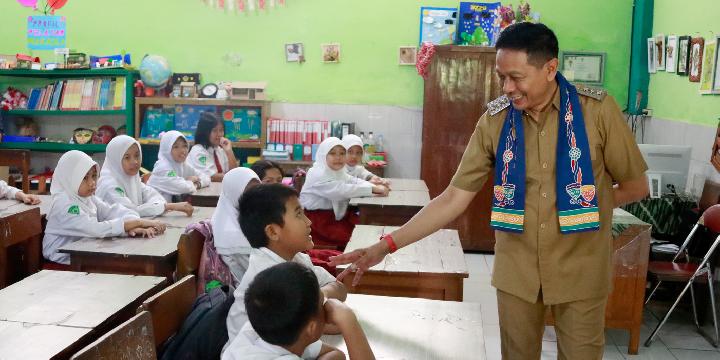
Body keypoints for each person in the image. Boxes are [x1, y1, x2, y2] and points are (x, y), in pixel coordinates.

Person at [330, 22, 649, 359]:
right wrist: (385, 246)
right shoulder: (496, 121)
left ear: (550, 69)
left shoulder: (595, 112)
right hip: (517, 271)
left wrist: (583, 206)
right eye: (502, 77)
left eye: (517, 77)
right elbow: (454, 198)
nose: (507, 87)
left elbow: (635, 186)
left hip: (581, 268)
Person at [225, 183, 348, 358]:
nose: (309, 221)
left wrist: (319, 297)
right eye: (299, 215)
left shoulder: (296, 259)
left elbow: (339, 288)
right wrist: (325, 308)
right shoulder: (269, 278)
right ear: (273, 232)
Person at [223, 262, 374, 360]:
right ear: (311, 327)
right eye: (322, 302)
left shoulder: (255, 332)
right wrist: (348, 322)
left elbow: (336, 355)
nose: (327, 305)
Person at [43, 150, 166, 265]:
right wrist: (137, 222)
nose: (92, 183)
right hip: (61, 261)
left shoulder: (87, 198)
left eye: (94, 176)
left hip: (83, 253)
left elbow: (113, 210)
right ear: (70, 178)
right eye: (85, 178)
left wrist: (132, 227)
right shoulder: (64, 204)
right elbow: (95, 228)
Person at [299, 137, 389, 250]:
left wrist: (374, 186)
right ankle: (345, 260)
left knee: (366, 228)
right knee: (356, 237)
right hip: (316, 222)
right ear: (323, 155)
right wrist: (373, 190)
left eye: (342, 153)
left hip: (334, 216)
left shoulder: (337, 171)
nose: (338, 158)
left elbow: (353, 180)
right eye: (332, 153)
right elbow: (341, 190)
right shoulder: (318, 173)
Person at [97, 135, 193, 217]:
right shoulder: (109, 185)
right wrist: (168, 206)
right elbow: (129, 211)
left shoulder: (133, 179)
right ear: (115, 160)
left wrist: (156, 207)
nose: (134, 162)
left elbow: (155, 196)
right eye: (127, 157)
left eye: (137, 156)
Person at [212, 167, 261, 284]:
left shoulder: (244, 218)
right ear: (234, 193)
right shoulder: (233, 234)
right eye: (248, 193)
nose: (256, 197)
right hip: (250, 294)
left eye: (258, 190)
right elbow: (260, 276)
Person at [148, 130, 210, 202]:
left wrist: (197, 184)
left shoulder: (182, 165)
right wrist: (190, 181)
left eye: (184, 146)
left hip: (169, 210)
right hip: (154, 210)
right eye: (176, 147)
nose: (182, 150)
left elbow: (206, 177)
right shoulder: (162, 167)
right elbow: (184, 187)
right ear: (166, 149)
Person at [188, 112, 239, 182]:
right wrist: (232, 176)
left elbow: (235, 172)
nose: (219, 134)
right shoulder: (198, 151)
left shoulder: (219, 150)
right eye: (214, 130)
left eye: (221, 130)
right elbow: (213, 177)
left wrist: (229, 151)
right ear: (205, 132)